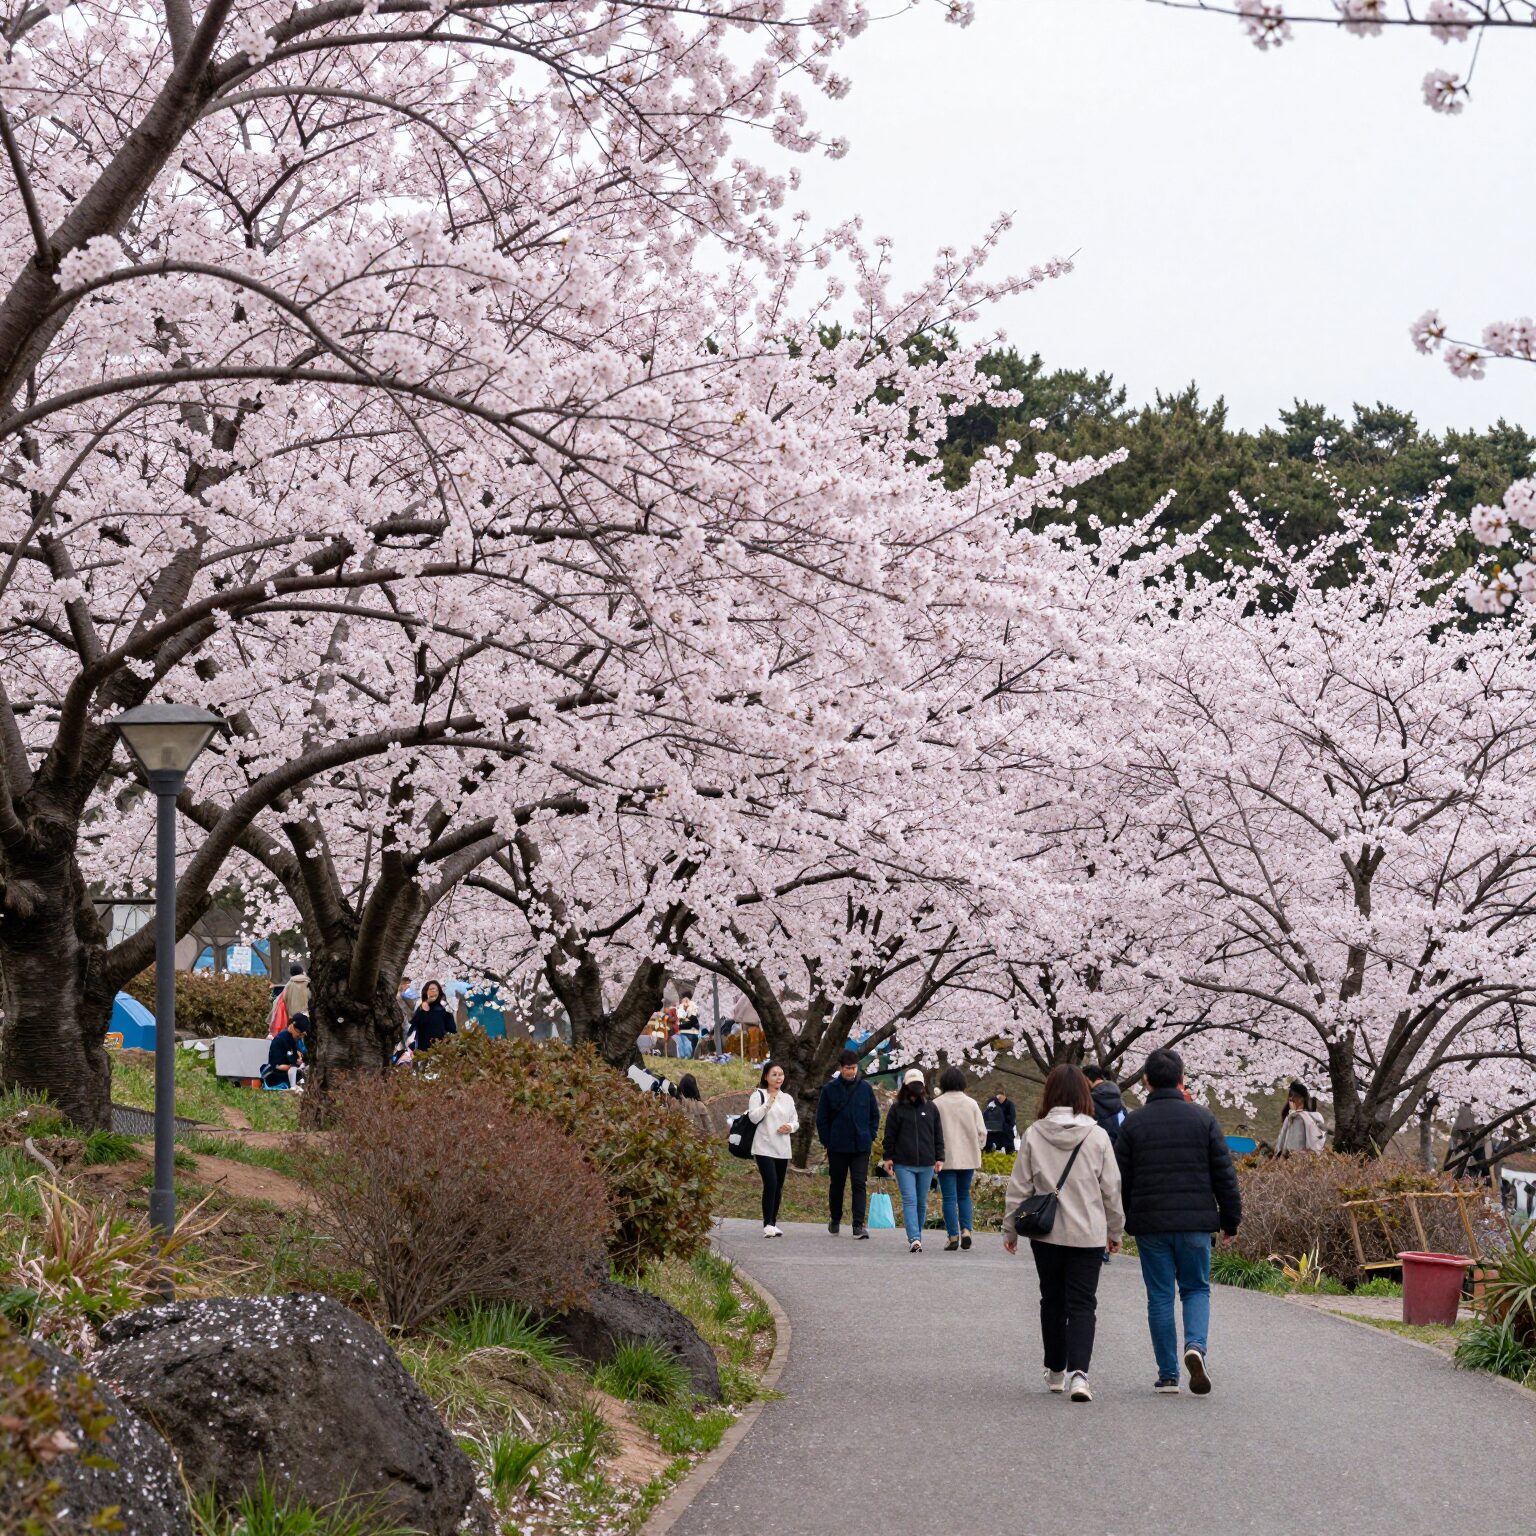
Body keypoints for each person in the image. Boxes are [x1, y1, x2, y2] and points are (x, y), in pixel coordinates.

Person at [1115, 1047, 1242, 1396]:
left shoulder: (1133, 1124)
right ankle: (1195, 1347)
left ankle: (1168, 1374)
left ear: (1145, 1082)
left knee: (1159, 1296)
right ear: (1182, 1079)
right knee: (1196, 1288)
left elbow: (1120, 1179)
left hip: (1151, 1224)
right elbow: (1224, 1175)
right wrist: (1230, 1220)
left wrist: (1125, 1221)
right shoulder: (1204, 1119)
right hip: (1196, 1223)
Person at [1003, 1065, 1124, 1403]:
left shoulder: (1034, 1133)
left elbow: (1019, 1186)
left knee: (1052, 1300)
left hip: (1047, 1234)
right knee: (1083, 1304)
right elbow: (1111, 1189)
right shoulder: (1097, 1136)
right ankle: (1080, 1376)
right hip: (1088, 1235)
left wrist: (1010, 1227)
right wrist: (1115, 1230)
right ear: (1084, 1095)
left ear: (1050, 1094)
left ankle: (1056, 1370)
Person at [815, 1049, 882, 1239]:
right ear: (840, 1068)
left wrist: (871, 1135)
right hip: (837, 1145)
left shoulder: (865, 1088)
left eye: (853, 1068)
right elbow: (822, 1119)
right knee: (837, 1184)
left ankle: (857, 1225)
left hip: (861, 1145)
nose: (851, 1072)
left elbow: (874, 1115)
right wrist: (827, 1140)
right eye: (847, 1068)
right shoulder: (829, 1090)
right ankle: (835, 1218)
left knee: (859, 1183)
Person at [882, 1068, 945, 1253]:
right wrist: (888, 1157)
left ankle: (917, 1235)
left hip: (926, 1162)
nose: (917, 1090)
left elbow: (938, 1134)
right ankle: (915, 1238)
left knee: (922, 1201)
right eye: (913, 1086)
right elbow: (890, 1135)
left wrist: (939, 1157)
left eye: (919, 1086)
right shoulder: (897, 1108)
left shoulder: (931, 1108)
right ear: (906, 1087)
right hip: (903, 1163)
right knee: (910, 1200)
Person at [932, 1066, 988, 1251]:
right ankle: (966, 1231)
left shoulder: (937, 1103)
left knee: (949, 1198)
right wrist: (977, 1147)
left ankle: (952, 1235)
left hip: (945, 1157)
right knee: (964, 1195)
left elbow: (931, 1131)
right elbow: (982, 1132)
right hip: (968, 1157)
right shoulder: (971, 1103)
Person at [748, 1061, 798, 1236]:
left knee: (779, 1186)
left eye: (781, 1074)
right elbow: (753, 1118)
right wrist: (768, 1104)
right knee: (771, 1183)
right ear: (766, 1077)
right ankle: (767, 1222)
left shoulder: (788, 1098)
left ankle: (773, 1222)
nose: (778, 1077)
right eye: (774, 1074)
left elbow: (795, 1121)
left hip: (782, 1148)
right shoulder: (758, 1095)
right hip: (763, 1146)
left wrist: (790, 1127)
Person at [1275, 1080, 1326, 1156]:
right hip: (1288, 1158)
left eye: (1295, 1096)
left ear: (1302, 1098)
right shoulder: (1290, 1116)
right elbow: (1281, 1140)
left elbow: (1317, 1139)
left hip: (1301, 1157)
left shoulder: (1309, 1117)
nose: (1291, 1098)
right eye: (1290, 1095)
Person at [408, 980, 456, 1053]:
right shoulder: (421, 1008)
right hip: (423, 1049)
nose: (433, 992)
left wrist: (449, 1013)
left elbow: (452, 1029)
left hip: (440, 1049)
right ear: (426, 992)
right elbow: (415, 1023)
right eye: (431, 989)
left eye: (436, 990)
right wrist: (427, 1003)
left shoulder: (442, 1009)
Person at [262, 1012, 307, 1090]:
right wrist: (294, 1067)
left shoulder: (293, 1040)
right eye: (299, 1034)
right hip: (273, 1074)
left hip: (286, 1071)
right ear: (293, 1028)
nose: (299, 1037)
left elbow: (294, 1059)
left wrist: (299, 1062)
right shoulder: (281, 1040)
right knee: (298, 1073)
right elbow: (277, 1066)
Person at [983, 1090, 1017, 1154]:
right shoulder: (1008, 1104)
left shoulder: (991, 1104)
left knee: (987, 1153)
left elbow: (985, 1116)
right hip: (1000, 1132)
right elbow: (1012, 1120)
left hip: (995, 1132)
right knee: (1010, 1152)